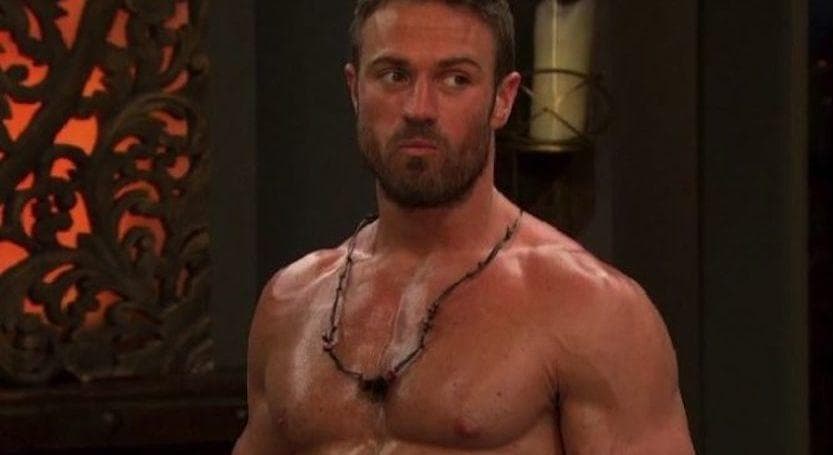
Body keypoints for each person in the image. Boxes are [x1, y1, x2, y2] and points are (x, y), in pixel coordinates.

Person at [234, 0, 695, 453]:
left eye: (455, 79)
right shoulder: (291, 305)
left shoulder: (591, 309)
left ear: (503, 100)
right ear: (355, 90)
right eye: (394, 75)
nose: (419, 108)